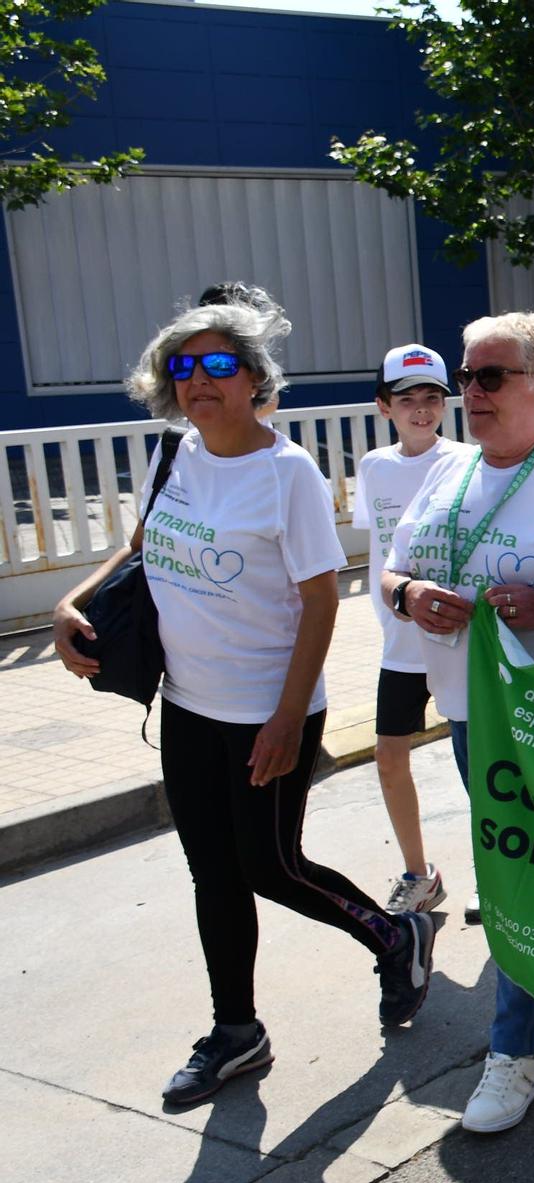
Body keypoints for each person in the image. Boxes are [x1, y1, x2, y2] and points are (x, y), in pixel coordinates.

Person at [51, 300, 438, 1107]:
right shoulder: (176, 455)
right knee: (212, 872)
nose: (198, 380)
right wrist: (70, 602)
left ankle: (395, 933)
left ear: (256, 380)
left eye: (218, 365)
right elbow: (137, 546)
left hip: (270, 706)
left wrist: (289, 718)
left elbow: (322, 600)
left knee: (271, 864)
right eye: (182, 367)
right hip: (188, 704)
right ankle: (238, 1032)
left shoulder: (285, 472)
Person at [379, 311, 534, 1132]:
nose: (465, 393)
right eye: (462, 379)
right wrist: (410, 595)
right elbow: (389, 570)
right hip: (472, 714)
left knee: (528, 874)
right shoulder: (447, 471)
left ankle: (513, 1052)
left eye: (488, 377)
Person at [354, 344, 473, 916]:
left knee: (481, 767)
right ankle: (418, 873)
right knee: (388, 756)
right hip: (399, 645)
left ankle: (501, 875)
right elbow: (379, 550)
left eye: (432, 398)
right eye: (408, 400)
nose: (421, 410)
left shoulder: (467, 461)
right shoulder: (374, 466)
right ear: (384, 406)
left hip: (457, 641)